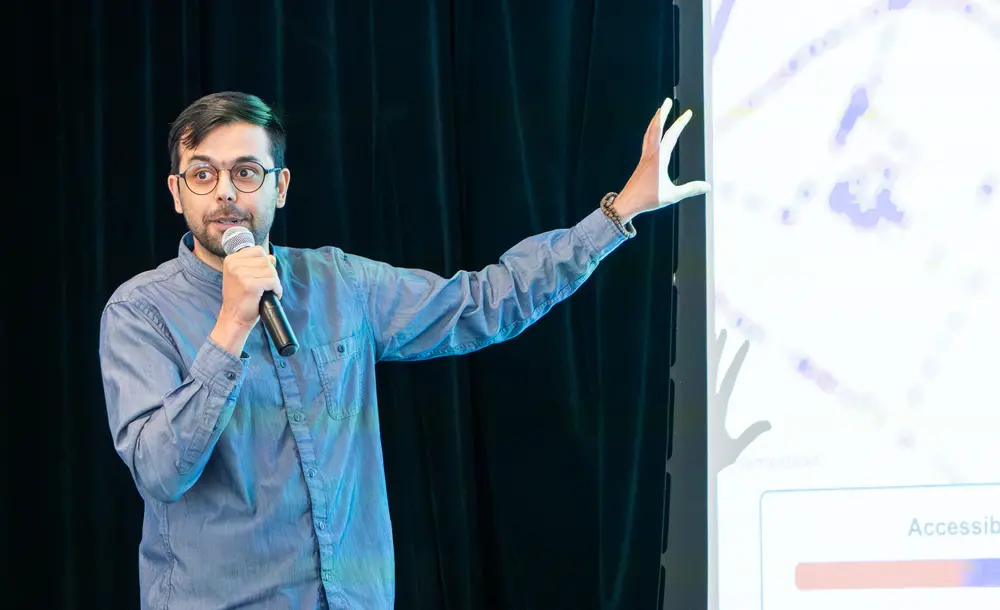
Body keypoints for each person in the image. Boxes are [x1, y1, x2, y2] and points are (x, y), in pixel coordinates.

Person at [98, 91, 710, 610]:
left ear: (280, 187)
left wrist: (619, 210)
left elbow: (481, 303)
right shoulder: (139, 312)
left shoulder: (339, 284)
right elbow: (159, 472)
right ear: (178, 193)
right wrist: (230, 327)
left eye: (246, 172)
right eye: (203, 174)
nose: (225, 192)